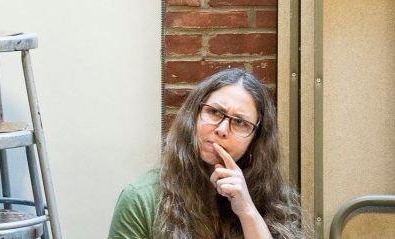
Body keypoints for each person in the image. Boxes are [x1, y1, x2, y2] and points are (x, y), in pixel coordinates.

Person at [108, 68, 311, 239]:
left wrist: (247, 211)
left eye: (240, 122)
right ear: (194, 116)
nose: (222, 129)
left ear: (256, 140)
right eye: (214, 112)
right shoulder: (141, 199)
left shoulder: (276, 201)